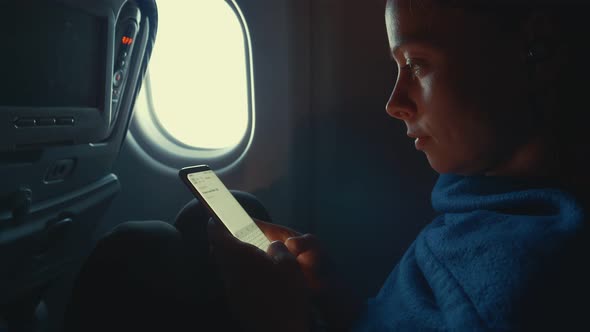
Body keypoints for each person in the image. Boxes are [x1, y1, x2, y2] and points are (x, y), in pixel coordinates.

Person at [64, 0, 589, 331]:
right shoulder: (491, 204)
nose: (394, 101)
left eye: (417, 64)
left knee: (134, 252)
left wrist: (280, 318)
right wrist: (333, 293)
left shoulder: (514, 284)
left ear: (535, 51)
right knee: (231, 213)